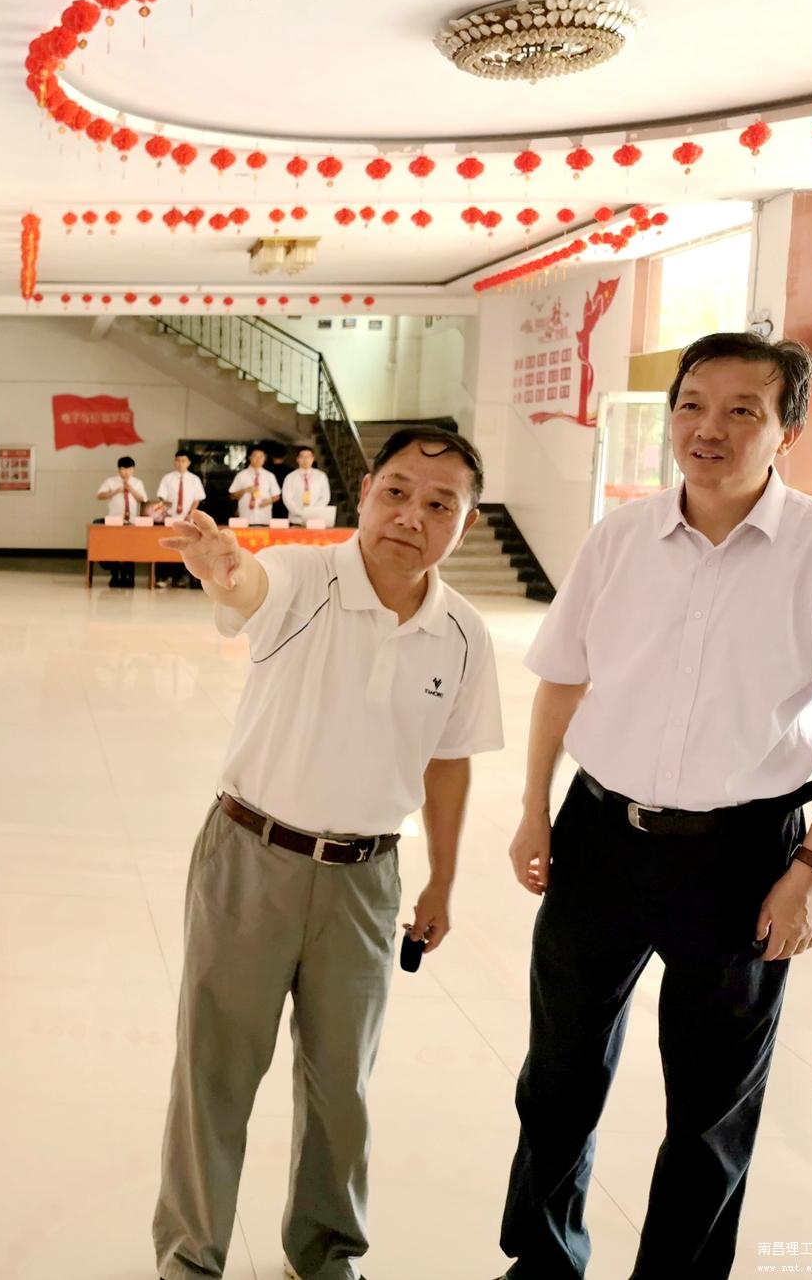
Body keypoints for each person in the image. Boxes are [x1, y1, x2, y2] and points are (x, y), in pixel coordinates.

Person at [496, 333, 812, 1280]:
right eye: (692, 404)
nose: (709, 428)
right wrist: (533, 810)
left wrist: (811, 870)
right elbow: (561, 682)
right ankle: (542, 1263)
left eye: (742, 411)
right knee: (559, 1075)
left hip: (744, 857)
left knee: (712, 1103)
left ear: (788, 430)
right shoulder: (620, 539)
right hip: (600, 837)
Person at [151, 426, 503, 1280]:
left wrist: (442, 881)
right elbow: (249, 583)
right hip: (251, 856)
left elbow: (448, 762)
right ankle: (191, 1257)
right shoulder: (305, 576)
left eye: (439, 504)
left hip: (365, 879)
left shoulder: (463, 635)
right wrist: (222, 565)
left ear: (465, 523)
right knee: (216, 1070)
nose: (410, 516)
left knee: (342, 1082)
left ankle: (325, 1252)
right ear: (366, 491)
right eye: (396, 492)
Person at [154, 451, 209, 589]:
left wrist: (190, 514)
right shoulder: (167, 478)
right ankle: (163, 577)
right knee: (167, 546)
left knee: (184, 548)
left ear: (188, 462)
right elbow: (162, 498)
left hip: (187, 519)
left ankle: (178, 578)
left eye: (183, 460)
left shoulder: (194, 479)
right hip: (169, 519)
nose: (180, 463)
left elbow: (197, 499)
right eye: (178, 460)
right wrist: (165, 510)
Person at [96, 456, 151, 588]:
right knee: (112, 549)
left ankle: (128, 577)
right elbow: (99, 495)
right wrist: (114, 492)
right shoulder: (110, 481)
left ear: (133, 470)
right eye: (123, 469)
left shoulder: (137, 483)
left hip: (131, 522)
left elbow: (143, 499)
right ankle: (115, 574)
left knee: (129, 549)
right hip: (114, 521)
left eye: (129, 469)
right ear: (119, 469)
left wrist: (131, 489)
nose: (126, 472)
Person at [228, 448, 280, 527]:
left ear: (265, 458)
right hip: (245, 519)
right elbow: (232, 496)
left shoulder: (270, 476)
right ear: (250, 458)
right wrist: (245, 490)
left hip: (264, 519)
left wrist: (269, 501)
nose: (258, 459)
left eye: (261, 456)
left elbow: (276, 496)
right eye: (255, 456)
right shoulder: (241, 475)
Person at [282, 446, 332, 524]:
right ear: (297, 459)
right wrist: (300, 513)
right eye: (302, 457)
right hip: (296, 520)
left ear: (313, 459)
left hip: (315, 519)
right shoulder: (290, 477)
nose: (305, 460)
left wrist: (312, 512)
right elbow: (287, 498)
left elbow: (325, 497)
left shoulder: (321, 476)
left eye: (308, 457)